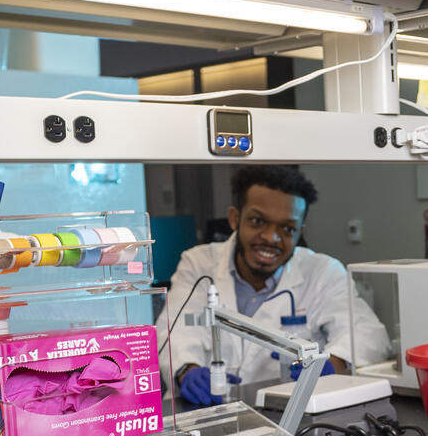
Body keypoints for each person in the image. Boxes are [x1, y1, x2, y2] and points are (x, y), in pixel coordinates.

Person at [164, 165, 389, 407]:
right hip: (208, 408)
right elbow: (174, 330)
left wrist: (331, 366)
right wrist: (187, 370)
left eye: (287, 228)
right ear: (235, 219)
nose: (271, 237)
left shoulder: (323, 271)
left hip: (287, 410)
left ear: (300, 231)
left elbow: (367, 334)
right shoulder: (198, 264)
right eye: (257, 221)